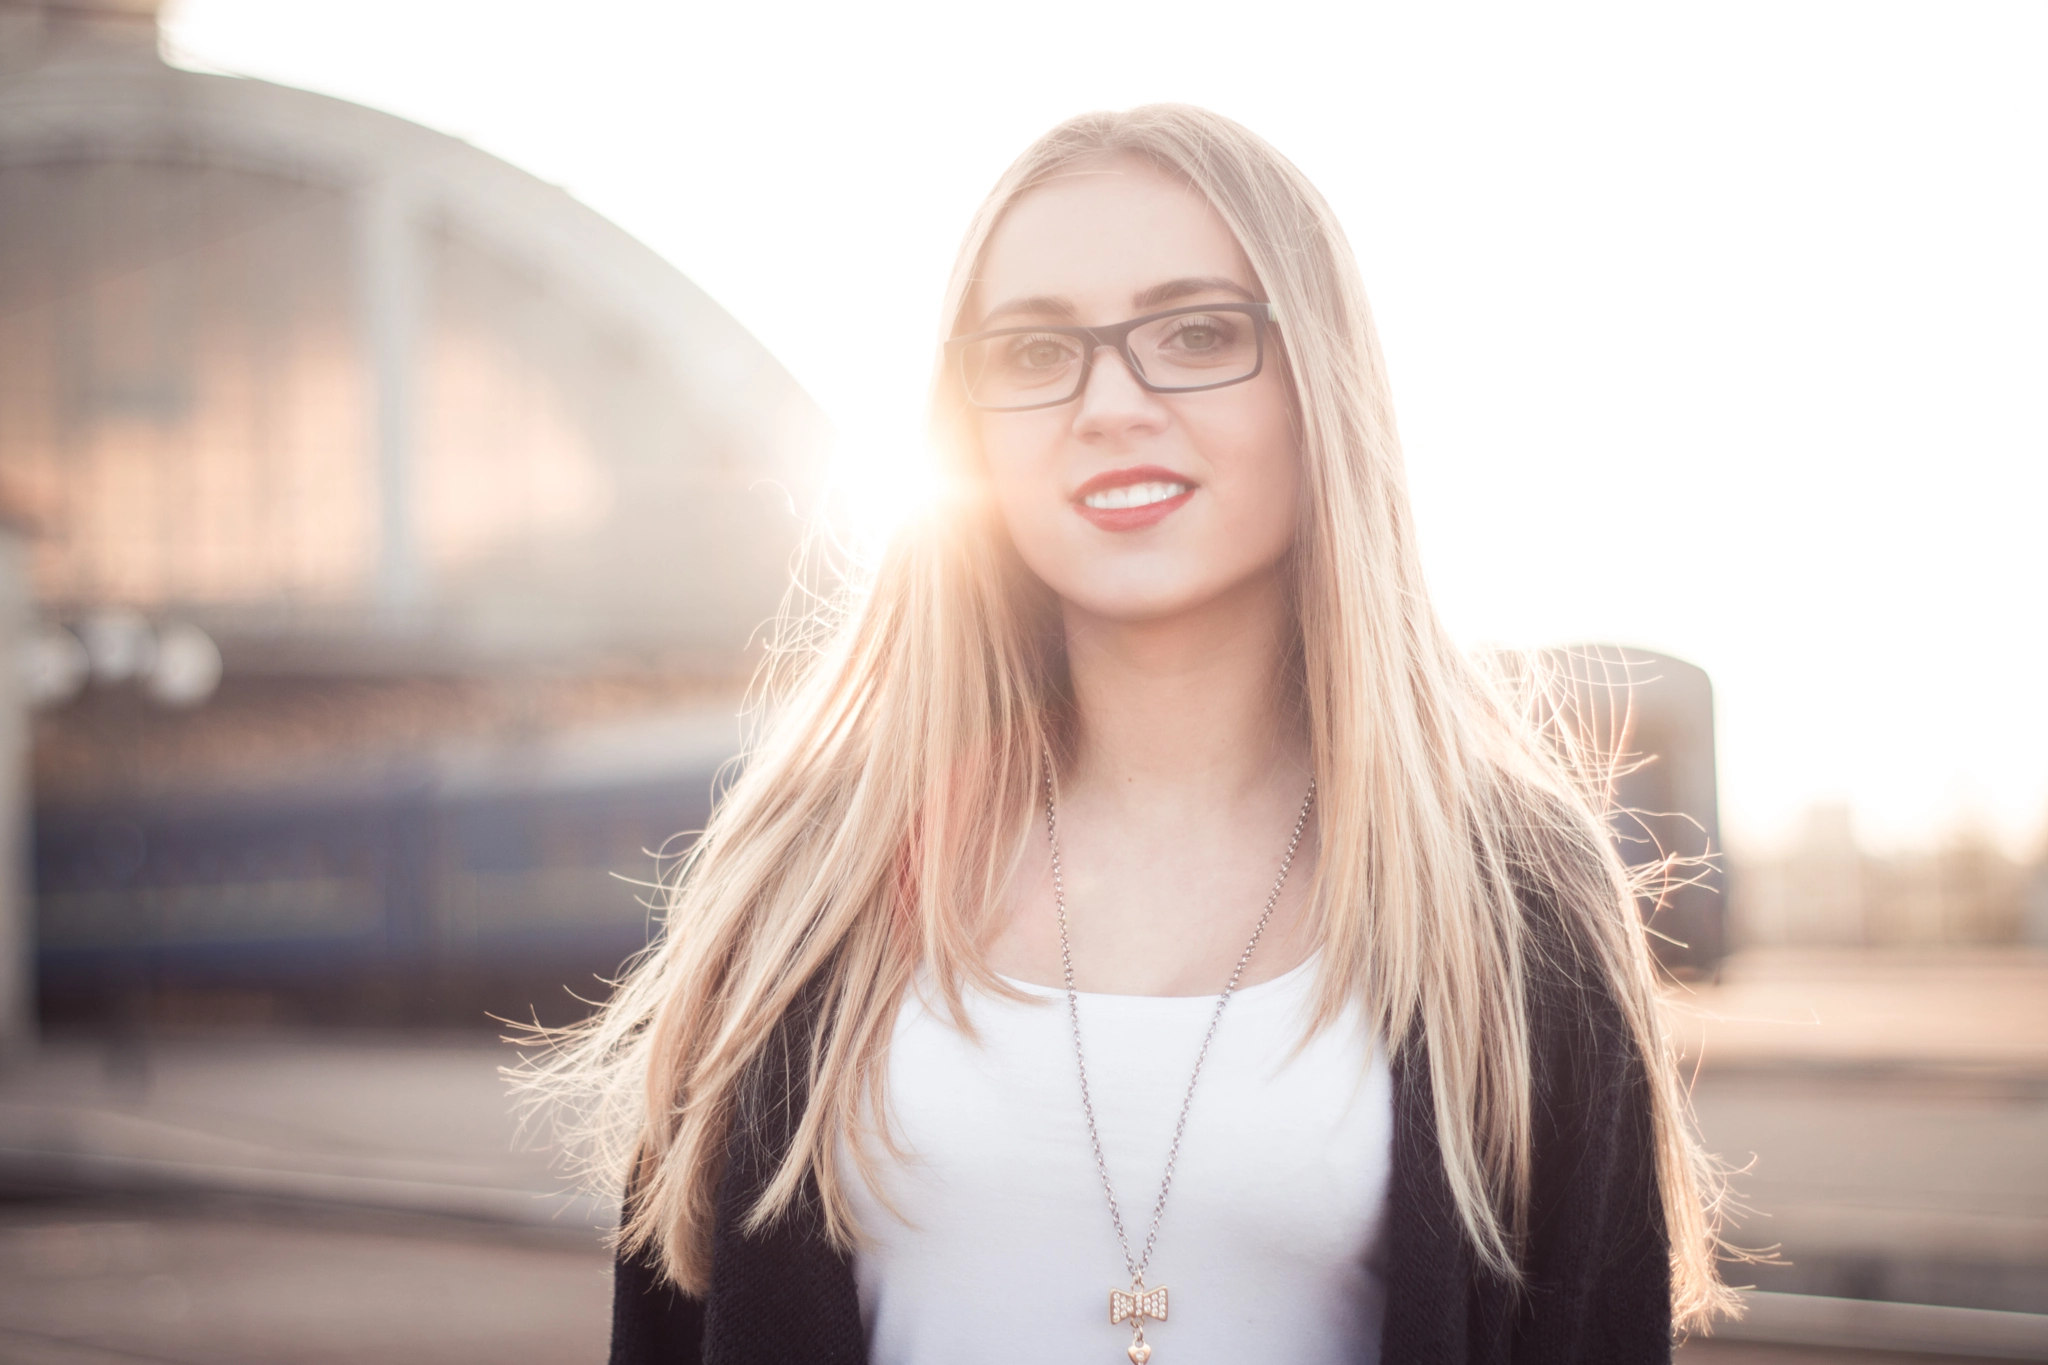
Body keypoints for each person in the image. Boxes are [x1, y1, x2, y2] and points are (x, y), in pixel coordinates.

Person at [534, 104, 1733, 1365]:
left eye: (1196, 332)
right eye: (1033, 352)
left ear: (1316, 382)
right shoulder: (806, 877)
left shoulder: (1510, 892)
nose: (1109, 402)